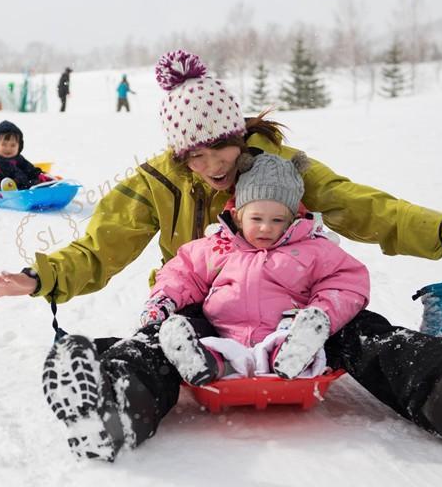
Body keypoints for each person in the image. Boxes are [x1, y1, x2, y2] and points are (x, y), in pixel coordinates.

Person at [0, 50, 442, 463]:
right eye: (193, 157)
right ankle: (110, 414)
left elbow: (367, 208)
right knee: (156, 345)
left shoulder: (284, 172)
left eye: (220, 147)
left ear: (238, 132)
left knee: (373, 337)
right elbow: (99, 248)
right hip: (204, 309)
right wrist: (38, 275)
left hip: (297, 309)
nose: (211, 166)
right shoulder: (156, 185)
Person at [148, 152, 369, 386]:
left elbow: (345, 281)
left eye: (277, 220)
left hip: (284, 332)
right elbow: (183, 272)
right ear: (237, 216)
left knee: (292, 334)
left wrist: (320, 313)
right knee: (198, 333)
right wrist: (163, 299)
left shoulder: (311, 248)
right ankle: (198, 361)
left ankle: (291, 356)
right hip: (221, 333)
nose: (266, 228)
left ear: (292, 219)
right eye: (256, 218)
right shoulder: (218, 247)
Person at [0, 120, 53, 191]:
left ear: (19, 146)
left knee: (33, 181)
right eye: (4, 144)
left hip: (23, 187)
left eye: (13, 145)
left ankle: (46, 184)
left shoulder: (19, 159)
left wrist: (40, 174)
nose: (8, 149)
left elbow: (31, 170)